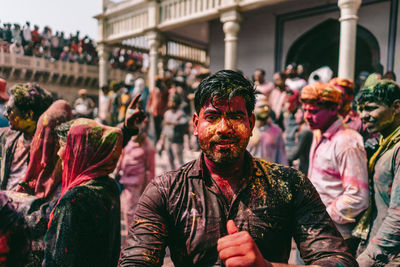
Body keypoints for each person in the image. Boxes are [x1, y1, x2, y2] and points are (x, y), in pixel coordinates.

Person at [119, 70, 357, 266]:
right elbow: (134, 261)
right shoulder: (165, 191)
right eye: (212, 117)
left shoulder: (290, 185)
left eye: (235, 116)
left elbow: (338, 260)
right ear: (195, 124)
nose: (224, 128)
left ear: (251, 123)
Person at [43, 119, 122, 266]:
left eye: (63, 146)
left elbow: (58, 260)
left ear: (81, 152)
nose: (60, 154)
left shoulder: (74, 200)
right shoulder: (109, 186)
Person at [301, 82, 369, 252]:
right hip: (315, 230)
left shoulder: (346, 142)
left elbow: (358, 196)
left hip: (335, 236)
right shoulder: (318, 134)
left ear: (333, 109)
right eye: (305, 110)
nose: (307, 116)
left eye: (314, 111)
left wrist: (321, 216)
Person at [354, 80, 400, 266]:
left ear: (396, 107)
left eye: (372, 108)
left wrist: (371, 254)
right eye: (361, 109)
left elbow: (398, 215)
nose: (364, 116)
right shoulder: (383, 144)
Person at [0, 83, 53, 191]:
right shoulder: (6, 138)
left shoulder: (49, 147)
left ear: (28, 115)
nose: (5, 114)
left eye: (10, 110)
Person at [17, 100, 73, 199]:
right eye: (40, 133)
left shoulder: (70, 179)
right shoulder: (32, 163)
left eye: (51, 136)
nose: (44, 143)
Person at [115, 115, 155, 242]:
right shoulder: (129, 142)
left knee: (130, 210)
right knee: (126, 209)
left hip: (136, 182)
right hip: (124, 179)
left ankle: (132, 238)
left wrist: (149, 187)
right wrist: (117, 171)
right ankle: (131, 236)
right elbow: (122, 156)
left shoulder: (147, 146)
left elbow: (151, 168)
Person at [248, 96, 288, 165]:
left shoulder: (276, 131)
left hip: (269, 174)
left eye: (267, 106)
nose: (266, 109)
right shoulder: (246, 130)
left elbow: (282, 158)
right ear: (253, 109)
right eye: (261, 106)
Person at [156, 94, 189, 171]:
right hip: (168, 139)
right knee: (170, 159)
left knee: (179, 160)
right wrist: (162, 140)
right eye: (170, 102)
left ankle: (181, 176)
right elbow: (164, 128)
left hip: (177, 140)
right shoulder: (167, 113)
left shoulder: (180, 113)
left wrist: (173, 123)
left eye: (173, 102)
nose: (171, 103)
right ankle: (173, 176)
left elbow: (185, 122)